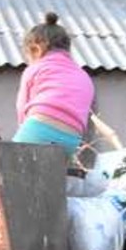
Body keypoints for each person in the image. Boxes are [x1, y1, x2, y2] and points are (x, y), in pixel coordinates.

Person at [14, 11, 96, 159]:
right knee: (50, 175)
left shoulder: (36, 68)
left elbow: (22, 107)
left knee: (9, 167)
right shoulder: (83, 75)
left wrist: (24, 131)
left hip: (38, 128)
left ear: (35, 50)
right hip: (72, 139)